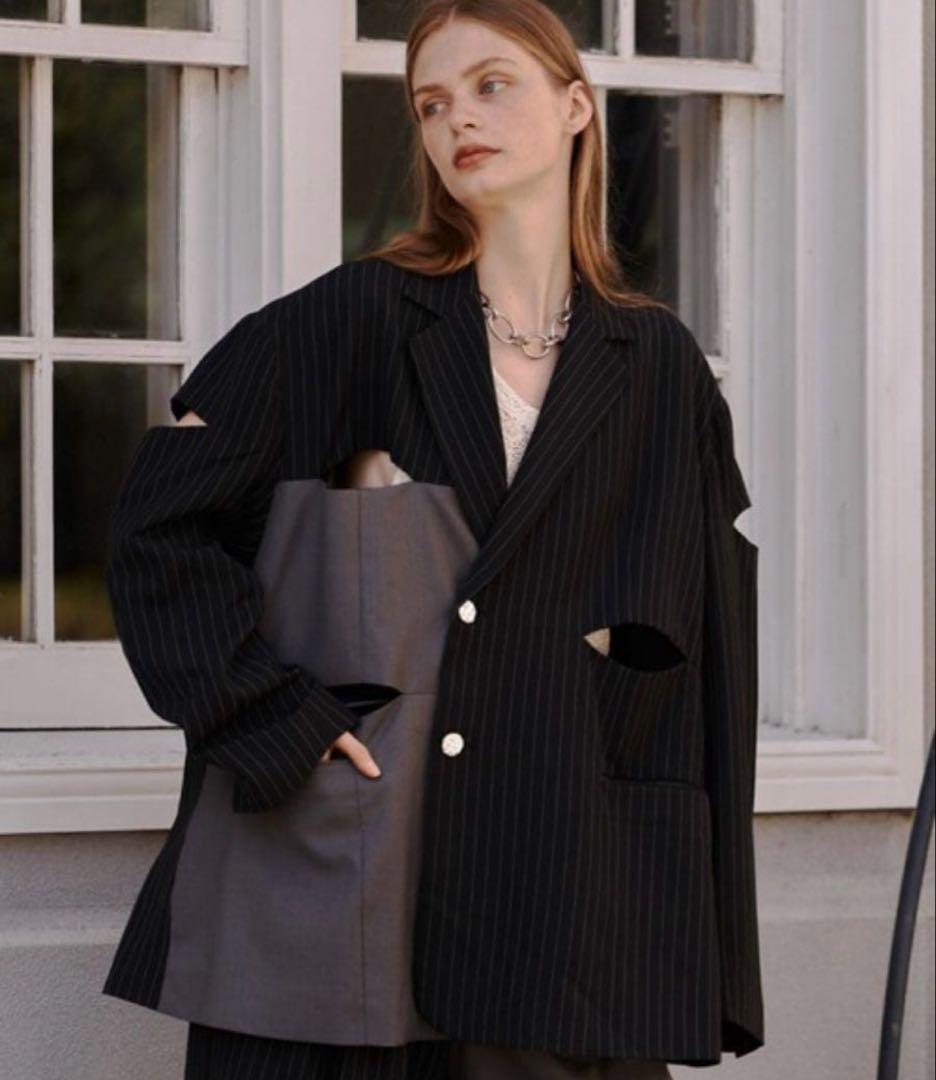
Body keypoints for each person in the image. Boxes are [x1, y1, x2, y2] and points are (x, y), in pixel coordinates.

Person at [104, 2, 763, 1078]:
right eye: (430, 103)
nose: (458, 118)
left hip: (570, 891)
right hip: (361, 868)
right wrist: (274, 717)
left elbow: (707, 652)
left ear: (576, 106)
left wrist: (713, 951)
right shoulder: (350, 320)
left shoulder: (657, 365)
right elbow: (157, 527)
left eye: (492, 85)